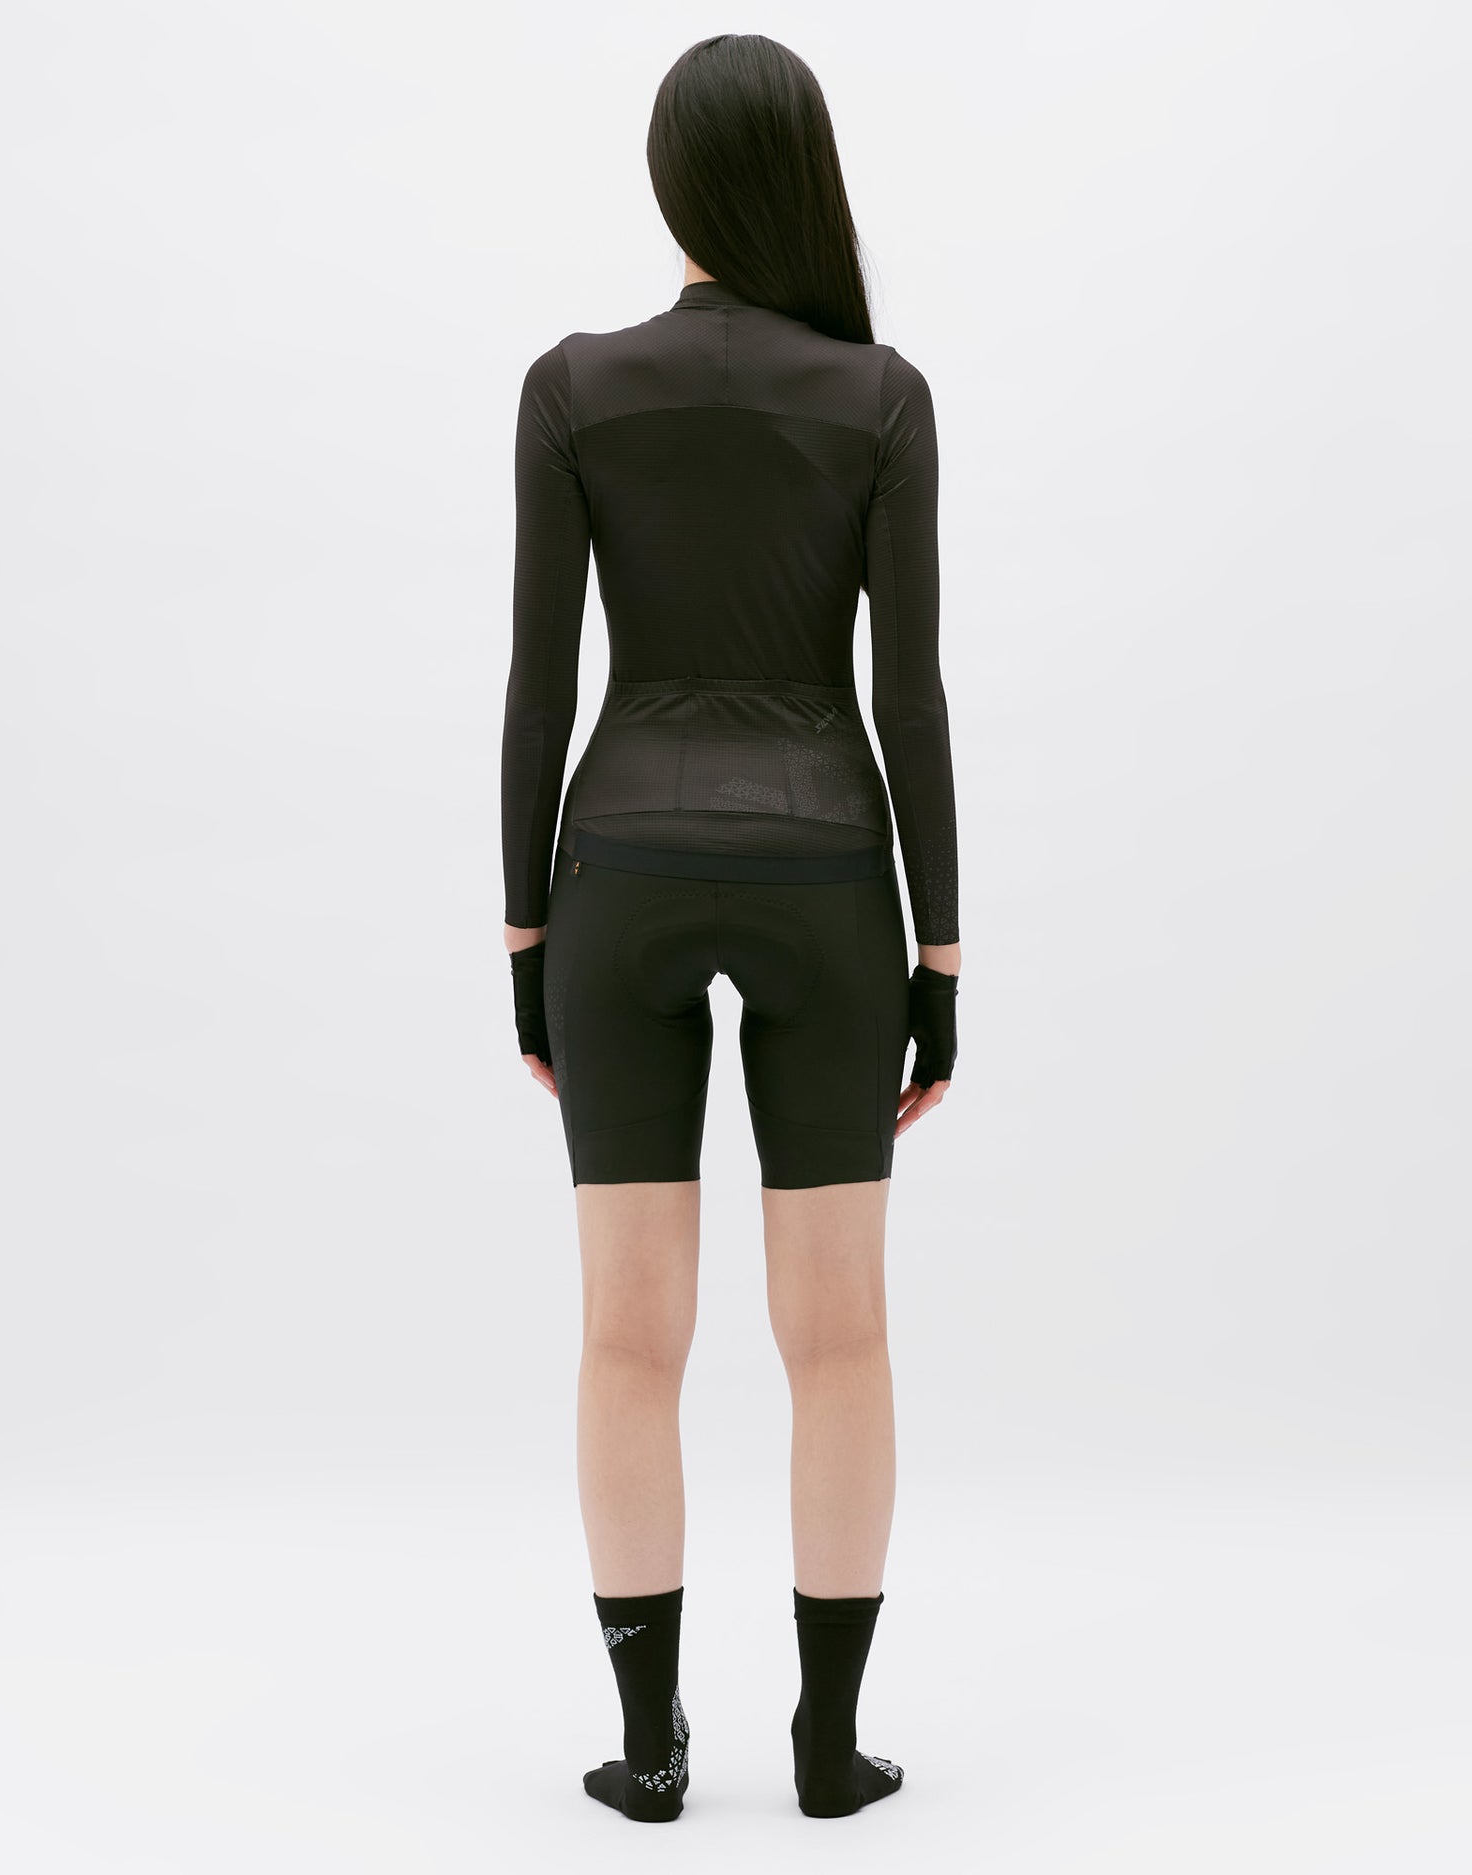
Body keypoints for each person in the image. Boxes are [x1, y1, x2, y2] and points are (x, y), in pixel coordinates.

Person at [500, 32, 960, 1823]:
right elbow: (907, 696)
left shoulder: (570, 388)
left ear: (669, 182)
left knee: (630, 1333)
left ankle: (649, 1747)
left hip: (615, 865)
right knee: (837, 1333)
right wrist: (941, 955)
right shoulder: (882, 398)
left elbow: (541, 688)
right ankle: (829, 1751)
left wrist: (525, 939)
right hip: (831, 870)